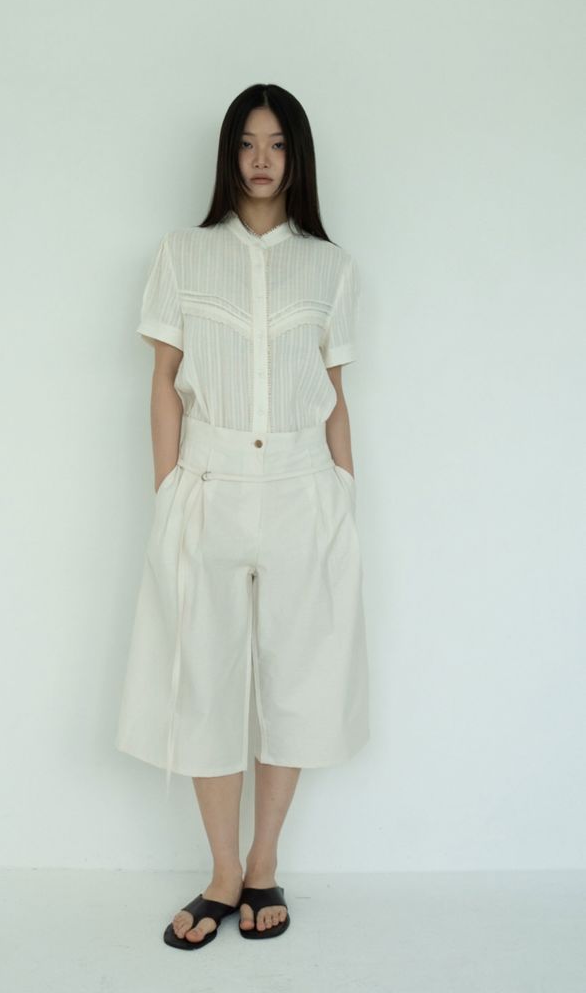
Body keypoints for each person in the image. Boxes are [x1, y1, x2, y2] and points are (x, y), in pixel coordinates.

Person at [115, 83, 369, 949]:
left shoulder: (329, 267)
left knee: (296, 682)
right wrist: (167, 494)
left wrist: (342, 492)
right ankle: (222, 873)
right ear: (228, 155)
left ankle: (264, 863)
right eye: (248, 143)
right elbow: (162, 381)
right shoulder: (182, 254)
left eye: (278, 144)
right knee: (204, 684)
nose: (262, 160)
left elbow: (334, 392)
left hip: (303, 488)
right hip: (209, 485)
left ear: (297, 158)